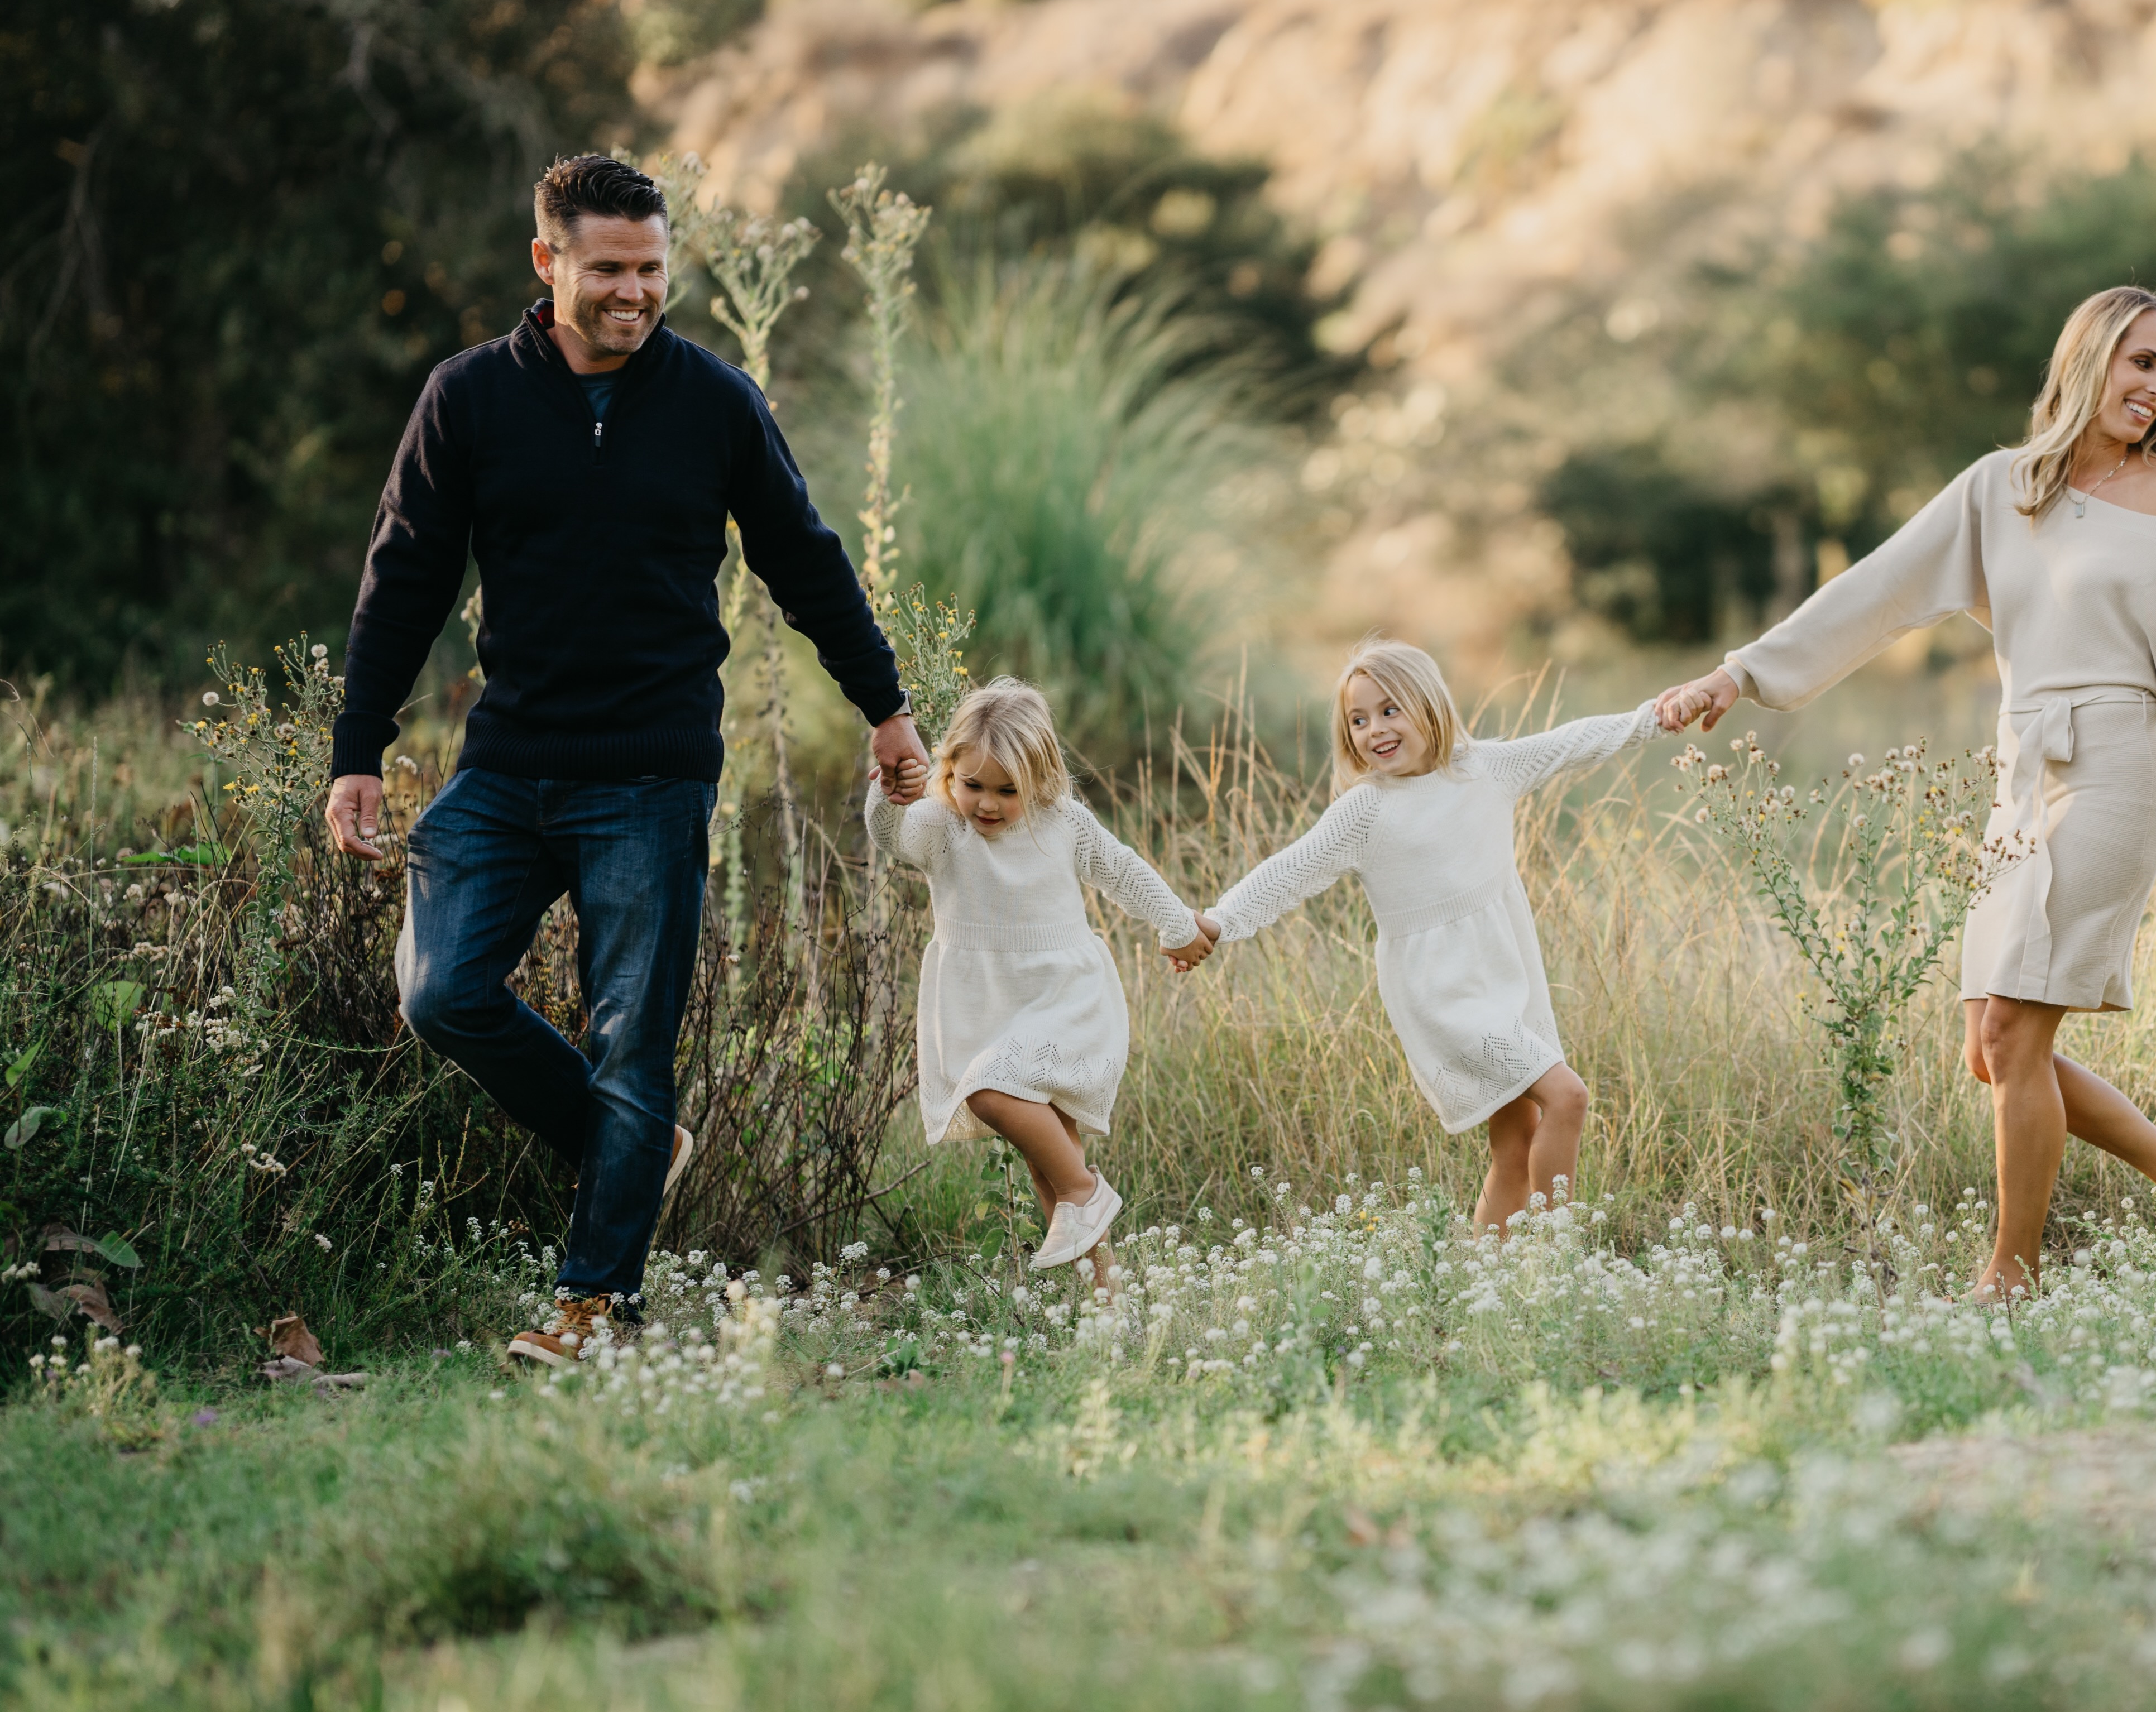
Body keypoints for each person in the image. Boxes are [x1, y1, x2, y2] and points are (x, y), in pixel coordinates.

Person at [325, 153, 931, 1368]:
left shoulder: (713, 400)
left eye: (653, 269)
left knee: (631, 1042)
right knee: (441, 992)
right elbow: (405, 581)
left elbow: (805, 559)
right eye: (608, 269)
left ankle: (595, 1305)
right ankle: (637, 1149)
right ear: (548, 262)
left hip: (652, 774)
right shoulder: (469, 399)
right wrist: (359, 749)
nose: (635, 292)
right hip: (506, 765)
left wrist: (885, 705)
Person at [1652, 285, 2156, 1300]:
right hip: (2020, 782)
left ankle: (2011, 1275)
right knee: (1988, 1048)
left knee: (2016, 1031)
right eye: (2139, 361)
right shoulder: (1999, 491)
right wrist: (1739, 673)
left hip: (2113, 775)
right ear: (2085, 356)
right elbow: (1874, 591)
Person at [1186, 641, 1657, 1232]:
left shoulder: (1484, 768)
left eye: (1390, 711)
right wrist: (1218, 921)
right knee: (1567, 1097)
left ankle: (1490, 1278)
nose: (1374, 730)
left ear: (1429, 705)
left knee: (1515, 1143)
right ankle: (1555, 1260)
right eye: (1357, 720)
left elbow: (1572, 741)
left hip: (1505, 974)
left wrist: (1656, 717)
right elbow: (1289, 870)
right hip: (1443, 992)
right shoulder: (1365, 812)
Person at [865, 680, 1199, 1278]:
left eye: (1007, 790)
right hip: (989, 1003)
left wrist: (1178, 925)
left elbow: (1122, 872)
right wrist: (889, 795)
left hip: (1063, 995)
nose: (987, 804)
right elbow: (894, 839)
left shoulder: (1063, 822)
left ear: (1041, 781)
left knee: (990, 1091)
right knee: (1049, 1160)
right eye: (973, 786)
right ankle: (1104, 1294)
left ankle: (1087, 1192)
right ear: (950, 771)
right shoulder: (943, 825)